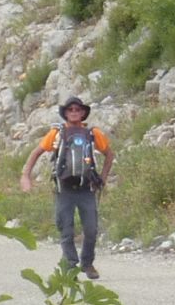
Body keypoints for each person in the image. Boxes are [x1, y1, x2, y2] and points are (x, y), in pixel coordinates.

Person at [20, 96, 114, 280]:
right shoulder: (57, 133)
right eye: (70, 110)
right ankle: (70, 265)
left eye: (77, 109)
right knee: (66, 229)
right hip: (65, 188)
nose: (74, 112)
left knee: (91, 229)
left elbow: (109, 154)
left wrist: (102, 178)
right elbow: (36, 152)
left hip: (87, 188)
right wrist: (26, 176)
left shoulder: (93, 133)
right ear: (65, 113)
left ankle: (87, 264)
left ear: (83, 112)